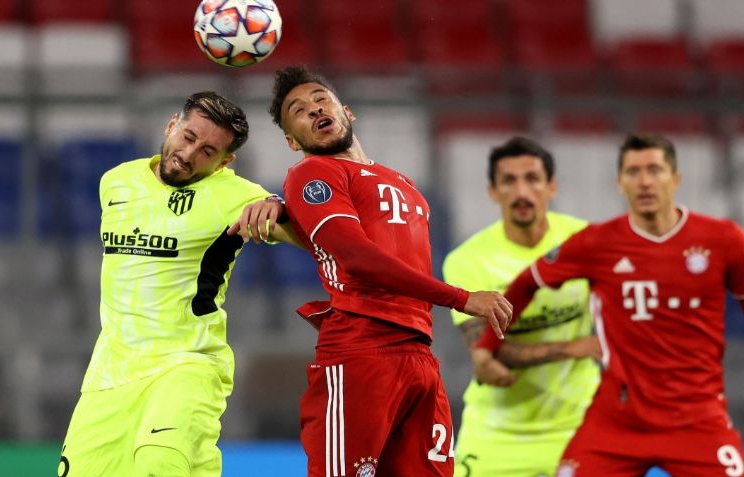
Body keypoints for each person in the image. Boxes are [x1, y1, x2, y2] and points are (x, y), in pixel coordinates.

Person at [475, 133, 744, 477]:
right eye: (633, 172)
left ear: (675, 179)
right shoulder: (596, 242)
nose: (644, 181)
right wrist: (485, 348)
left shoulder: (723, 240)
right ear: (619, 182)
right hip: (617, 421)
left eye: (654, 170)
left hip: (698, 420)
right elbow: (526, 283)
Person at [264, 65, 512, 477]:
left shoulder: (402, 181)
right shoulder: (313, 173)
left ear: (346, 111)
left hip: (419, 353)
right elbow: (358, 258)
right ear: (292, 141)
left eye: (320, 99)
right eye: (298, 110)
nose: (313, 109)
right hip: (362, 350)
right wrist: (462, 298)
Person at [57, 91, 296, 477]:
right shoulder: (116, 182)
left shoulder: (236, 196)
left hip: (187, 363)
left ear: (225, 162)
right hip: (110, 374)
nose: (188, 154)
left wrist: (280, 208)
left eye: (207, 151)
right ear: (172, 124)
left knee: (161, 462)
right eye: (188, 137)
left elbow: (310, 235)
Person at [442, 136, 601, 477]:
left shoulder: (585, 240)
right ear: (493, 191)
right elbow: (488, 350)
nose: (522, 191)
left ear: (551, 186)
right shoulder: (469, 260)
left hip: (578, 424)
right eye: (509, 181)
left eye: (532, 179)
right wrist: (575, 348)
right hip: (498, 431)